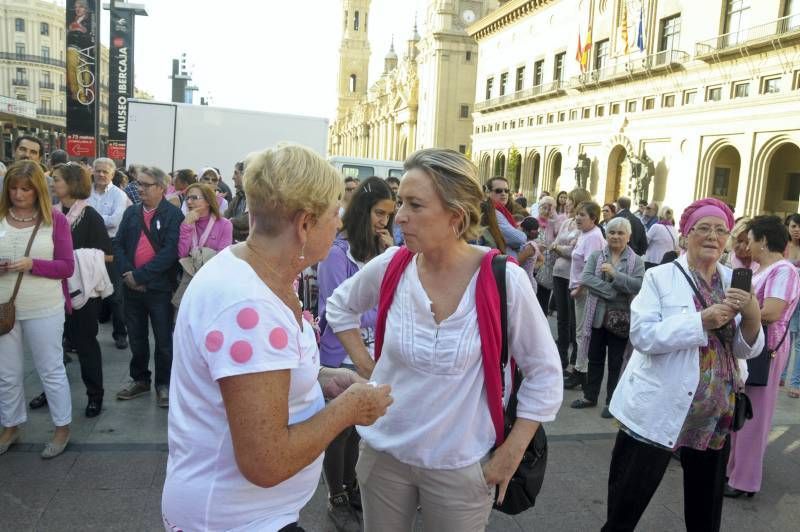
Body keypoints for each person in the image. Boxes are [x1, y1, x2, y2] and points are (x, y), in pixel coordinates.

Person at [326, 148, 563, 531]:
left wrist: (513, 450)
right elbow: (339, 308)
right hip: (384, 453)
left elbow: (545, 372)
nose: (400, 216)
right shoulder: (392, 265)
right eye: (401, 201)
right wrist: (368, 367)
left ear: (456, 215)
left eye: (415, 205)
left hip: (461, 464)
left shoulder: (503, 279)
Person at [161, 143, 393, 531]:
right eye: (334, 214)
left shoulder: (254, 274)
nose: (339, 224)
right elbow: (266, 462)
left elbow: (259, 373)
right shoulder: (247, 306)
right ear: (305, 224)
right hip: (237, 519)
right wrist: (348, 410)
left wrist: (322, 379)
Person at [604, 198, 763, 532]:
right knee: (625, 506)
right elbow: (643, 336)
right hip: (658, 411)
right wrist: (699, 321)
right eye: (703, 228)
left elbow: (744, 349)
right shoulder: (659, 277)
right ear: (685, 234)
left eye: (721, 230)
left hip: (714, 415)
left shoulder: (735, 279)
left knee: (705, 514)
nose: (712, 236)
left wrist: (752, 316)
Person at [317, 176, 395, 531]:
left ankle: (350, 487)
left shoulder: (382, 252)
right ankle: (336, 495)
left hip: (370, 351)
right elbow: (338, 309)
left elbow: (390, 303)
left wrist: (393, 257)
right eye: (379, 213)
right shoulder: (336, 254)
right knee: (340, 428)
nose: (384, 221)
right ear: (363, 211)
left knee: (359, 426)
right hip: (338, 354)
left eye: (389, 215)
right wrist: (378, 304)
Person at [0, 161, 75, 458]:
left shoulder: (55, 220)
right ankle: (11, 425)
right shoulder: (1, 216)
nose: (18, 194)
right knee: (6, 373)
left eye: (25, 189)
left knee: (51, 369)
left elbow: (67, 267)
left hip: (44, 305)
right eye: (13, 188)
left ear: (37, 191)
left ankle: (62, 427)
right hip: (4, 307)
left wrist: (34, 264)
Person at [726, 216, 800, 498]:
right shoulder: (759, 267)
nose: (748, 244)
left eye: (752, 238)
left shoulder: (784, 271)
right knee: (742, 412)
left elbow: (771, 312)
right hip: (751, 346)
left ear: (764, 241)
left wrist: (736, 308)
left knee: (754, 418)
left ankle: (744, 481)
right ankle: (734, 471)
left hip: (765, 350)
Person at [113, 166, 183, 408]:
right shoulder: (131, 212)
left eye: (145, 184)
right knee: (137, 337)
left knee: (164, 340)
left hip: (159, 289)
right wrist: (127, 275)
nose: (139, 188)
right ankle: (139, 379)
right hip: (131, 288)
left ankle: (163, 384)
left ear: (161, 188)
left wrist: (140, 276)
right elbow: (119, 245)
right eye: (138, 183)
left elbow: (169, 254)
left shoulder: (173, 215)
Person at [53, 162, 112, 417]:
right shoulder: (50, 212)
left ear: (72, 183)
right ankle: (50, 390)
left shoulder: (90, 216)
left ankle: (94, 395)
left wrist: (71, 260)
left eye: (57, 179)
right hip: (52, 288)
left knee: (86, 343)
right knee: (53, 344)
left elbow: (108, 256)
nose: (52, 183)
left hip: (83, 292)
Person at [572, 217, 644, 417]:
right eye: (612, 232)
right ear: (606, 235)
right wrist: (613, 291)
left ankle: (612, 401)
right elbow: (586, 278)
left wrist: (615, 275)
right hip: (596, 316)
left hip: (620, 320)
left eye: (620, 233)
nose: (615, 236)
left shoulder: (636, 261)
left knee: (615, 362)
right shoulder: (597, 256)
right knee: (594, 358)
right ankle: (589, 396)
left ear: (628, 237)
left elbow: (639, 285)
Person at [87, 157, 129, 350]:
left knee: (116, 293)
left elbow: (115, 221)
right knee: (87, 291)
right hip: (87, 245)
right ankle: (85, 335)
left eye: (106, 171)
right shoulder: (85, 193)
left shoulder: (119, 195)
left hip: (111, 245)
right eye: (99, 171)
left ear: (113, 174)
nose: (102, 174)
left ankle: (120, 333)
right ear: (93, 172)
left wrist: (91, 218)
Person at [564, 201, 606, 390]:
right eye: (578, 214)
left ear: (594, 218)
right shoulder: (585, 234)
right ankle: (580, 370)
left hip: (584, 291)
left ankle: (582, 372)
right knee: (579, 332)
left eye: (583, 215)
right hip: (578, 290)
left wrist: (579, 289)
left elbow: (592, 269)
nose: (578, 218)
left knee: (582, 333)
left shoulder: (593, 237)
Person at [551, 188, 592, 370]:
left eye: (570, 199)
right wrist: (560, 247)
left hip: (573, 277)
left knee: (575, 322)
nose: (566, 202)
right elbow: (555, 243)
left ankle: (575, 363)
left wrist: (559, 248)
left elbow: (574, 252)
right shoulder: (566, 222)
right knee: (562, 319)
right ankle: (561, 359)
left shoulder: (584, 227)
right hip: (559, 273)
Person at [177, 183, 233, 258]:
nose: (189, 202)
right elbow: (182, 254)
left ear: (208, 201)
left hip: (213, 268)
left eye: (194, 198)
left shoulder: (224, 224)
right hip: (190, 269)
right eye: (187, 198)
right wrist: (186, 226)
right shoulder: (185, 222)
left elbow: (223, 257)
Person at [534, 195, 562, 314]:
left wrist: (553, 217)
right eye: (543, 207)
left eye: (549, 208)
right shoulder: (533, 221)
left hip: (546, 266)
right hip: (532, 264)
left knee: (542, 300)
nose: (546, 211)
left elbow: (558, 236)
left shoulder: (556, 223)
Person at [486, 176, 526, 257]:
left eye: (506, 190)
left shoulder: (503, 210)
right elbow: (519, 239)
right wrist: (521, 231)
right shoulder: (492, 212)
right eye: (498, 191)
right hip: (500, 263)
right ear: (488, 193)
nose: (503, 193)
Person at [783, 214, 800, 396]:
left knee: (799, 343)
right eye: (794, 226)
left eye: (799, 226)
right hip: (785, 298)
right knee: (785, 336)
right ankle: (780, 375)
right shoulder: (783, 247)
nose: (796, 229)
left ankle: (796, 383)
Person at [224, 161, 250, 242]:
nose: (233, 177)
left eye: (236, 173)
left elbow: (248, 221)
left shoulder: (256, 197)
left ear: (245, 175)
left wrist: (231, 221)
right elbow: (225, 217)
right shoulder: (238, 197)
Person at [518, 217, 543, 294]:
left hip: (526, 284)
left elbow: (516, 262)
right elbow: (541, 259)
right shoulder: (533, 244)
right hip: (527, 281)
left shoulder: (529, 246)